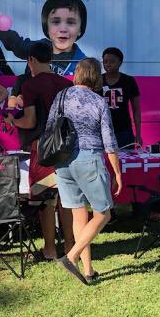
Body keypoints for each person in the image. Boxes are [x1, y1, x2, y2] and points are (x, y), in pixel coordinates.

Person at [46, 58, 122, 285]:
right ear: (96, 76)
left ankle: (88, 270)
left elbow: (50, 127)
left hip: (62, 161)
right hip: (89, 159)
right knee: (103, 213)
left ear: (77, 74)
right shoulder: (98, 101)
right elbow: (109, 141)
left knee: (79, 215)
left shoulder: (60, 97)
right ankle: (71, 256)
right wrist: (117, 172)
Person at [6, 42, 74, 261]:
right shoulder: (66, 83)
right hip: (66, 149)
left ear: (32, 60)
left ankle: (50, 250)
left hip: (42, 150)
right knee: (67, 198)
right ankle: (71, 247)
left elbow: (30, 120)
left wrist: (11, 121)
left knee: (46, 200)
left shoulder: (31, 85)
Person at [0, 0, 87, 75]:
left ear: (80, 29)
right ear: (47, 27)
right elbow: (16, 43)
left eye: (70, 22)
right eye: (56, 22)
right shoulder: (37, 47)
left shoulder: (84, 65)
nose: (63, 29)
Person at [101, 47, 142, 148]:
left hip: (124, 132)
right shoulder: (97, 80)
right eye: (105, 62)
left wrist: (138, 134)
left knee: (126, 161)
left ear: (120, 62)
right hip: (102, 132)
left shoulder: (129, 81)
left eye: (112, 62)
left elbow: (136, 110)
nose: (108, 64)